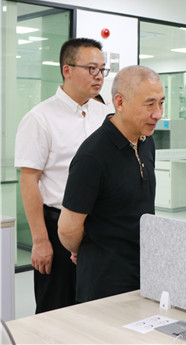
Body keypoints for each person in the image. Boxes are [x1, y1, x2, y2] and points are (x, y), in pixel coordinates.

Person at [14, 37, 111, 313]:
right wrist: (40, 241)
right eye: (91, 69)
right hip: (57, 226)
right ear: (67, 70)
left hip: (99, 226)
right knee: (56, 309)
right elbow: (29, 180)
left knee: (97, 308)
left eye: (102, 69)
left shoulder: (106, 115)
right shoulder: (40, 118)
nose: (99, 76)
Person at [57, 65, 164, 303]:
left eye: (161, 103)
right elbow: (67, 229)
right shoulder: (93, 156)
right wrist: (87, 249)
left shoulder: (146, 142)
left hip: (144, 271)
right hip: (106, 280)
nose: (158, 114)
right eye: (149, 104)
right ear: (120, 102)